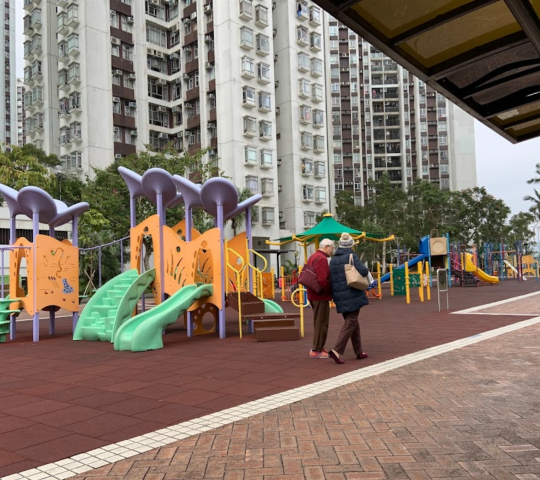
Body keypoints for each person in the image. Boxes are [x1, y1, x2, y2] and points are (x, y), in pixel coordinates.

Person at [328, 233, 369, 364]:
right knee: (351, 321)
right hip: (352, 293)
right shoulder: (352, 256)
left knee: (352, 322)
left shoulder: (333, 260)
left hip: (339, 295)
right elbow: (363, 271)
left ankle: (359, 351)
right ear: (350, 244)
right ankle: (336, 350)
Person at [305, 238, 334, 358]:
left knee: (318, 321)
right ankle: (316, 349)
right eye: (332, 248)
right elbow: (323, 279)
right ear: (326, 246)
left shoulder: (313, 256)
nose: (332, 250)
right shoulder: (322, 259)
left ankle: (319, 346)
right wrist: (330, 293)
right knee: (321, 323)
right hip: (320, 296)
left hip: (312, 294)